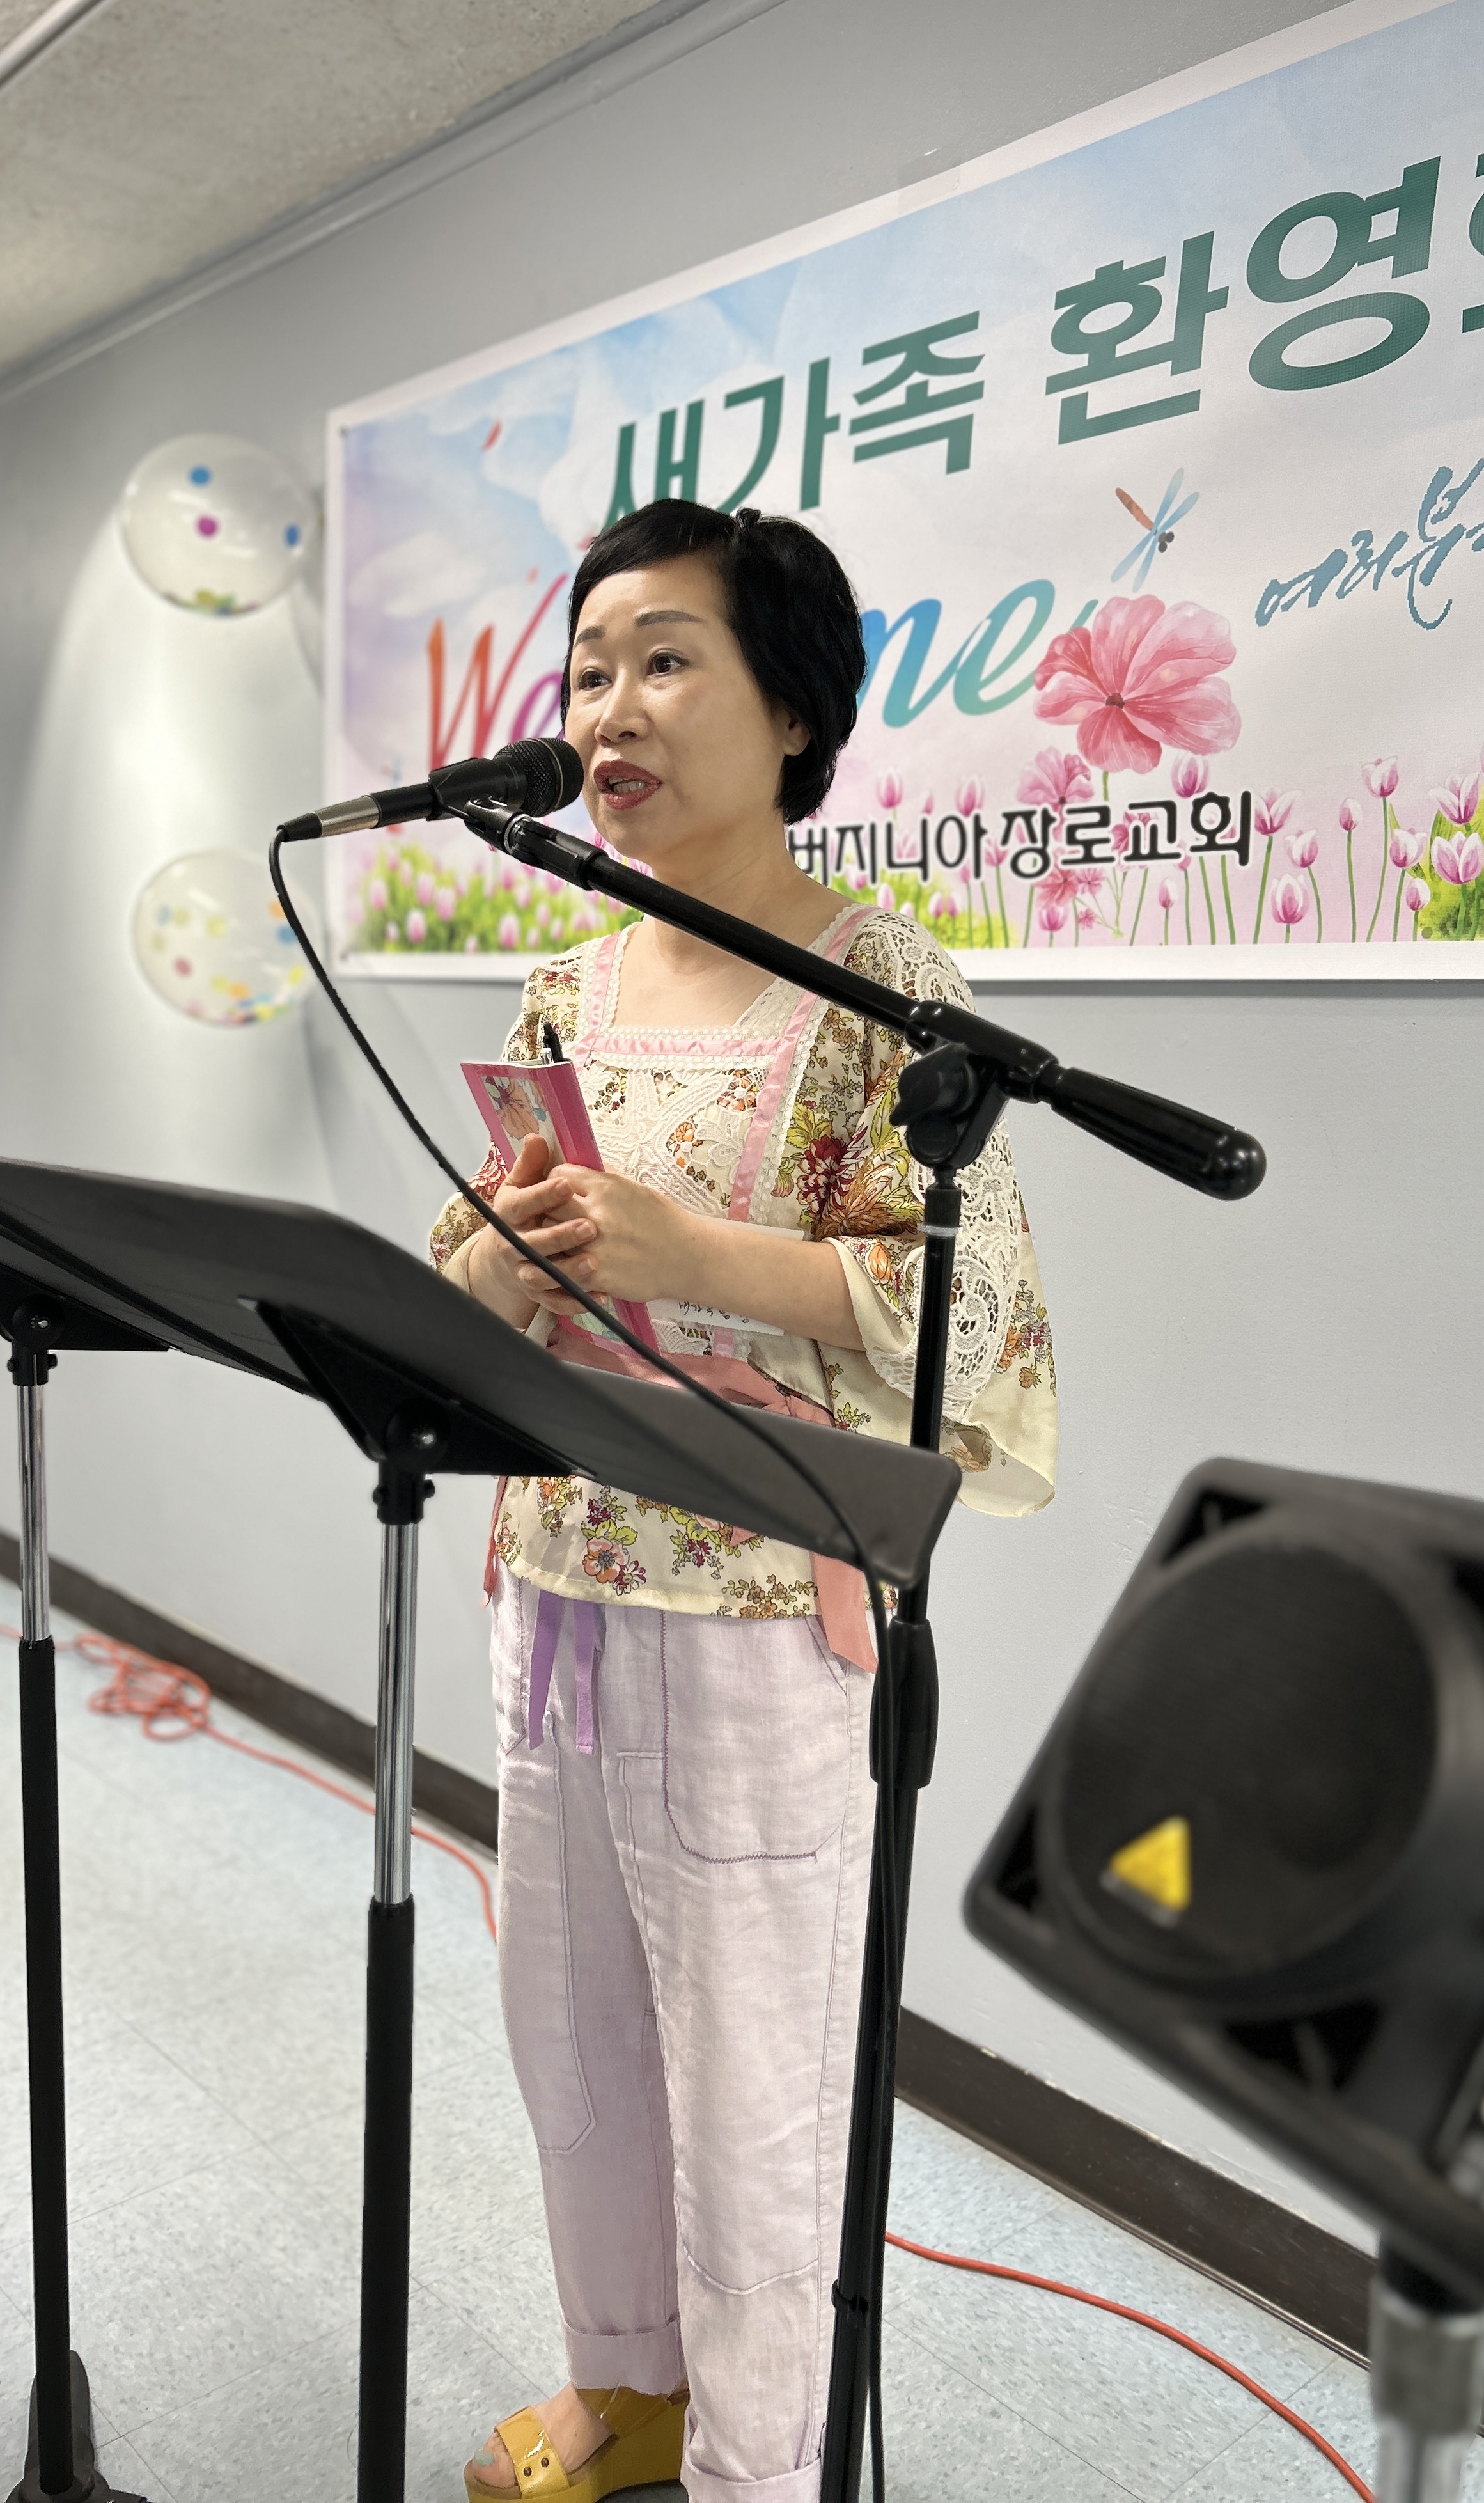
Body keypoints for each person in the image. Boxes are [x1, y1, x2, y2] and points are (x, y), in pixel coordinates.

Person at [430, 498, 1057, 2503]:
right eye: (588, 668)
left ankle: (762, 2461)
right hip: (558, 1575)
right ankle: (630, 2385)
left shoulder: (883, 983)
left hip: (763, 1603)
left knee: (752, 2068)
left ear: (793, 710)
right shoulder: (566, 985)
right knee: (573, 2024)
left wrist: (687, 1254)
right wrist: (496, 1262)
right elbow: (471, 1261)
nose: (609, 709)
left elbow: (967, 1311)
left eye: (665, 660)